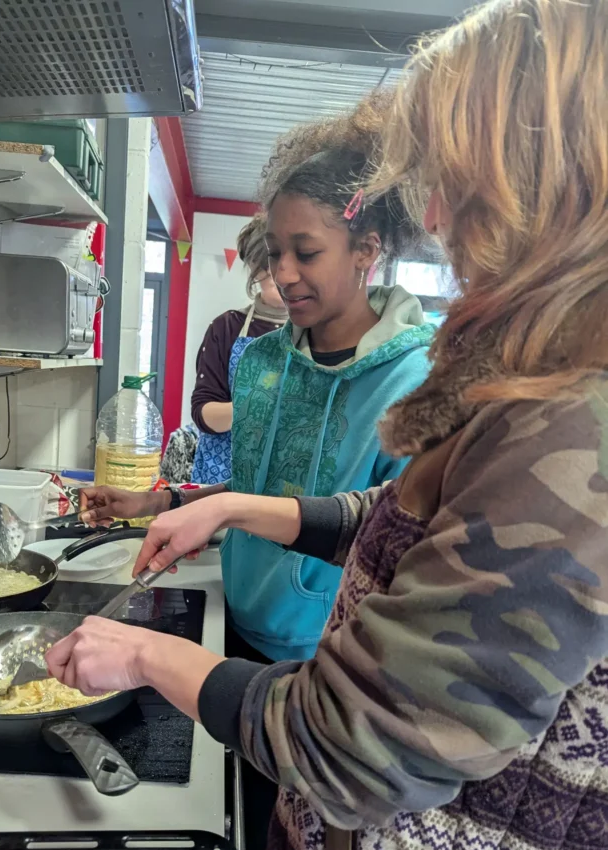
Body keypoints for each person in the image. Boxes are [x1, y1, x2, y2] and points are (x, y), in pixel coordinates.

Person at [48, 0, 608, 850]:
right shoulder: (535, 385)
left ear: (552, 172)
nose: (434, 215)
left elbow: (357, 744)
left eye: (456, 176)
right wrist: (231, 506)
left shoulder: (575, 425)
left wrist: (143, 658)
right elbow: (414, 526)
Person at [81, 91, 434, 665]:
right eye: (274, 253)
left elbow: (397, 541)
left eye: (307, 252)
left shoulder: (415, 383)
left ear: (365, 250)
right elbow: (256, 489)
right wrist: (158, 504)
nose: (284, 274)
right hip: (235, 610)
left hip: (331, 648)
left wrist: (220, 511)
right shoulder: (265, 362)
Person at [190, 214, 288, 486]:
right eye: (270, 267)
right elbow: (204, 413)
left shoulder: (317, 332)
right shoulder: (227, 328)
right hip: (224, 474)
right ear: (255, 269)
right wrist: (259, 407)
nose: (284, 275)